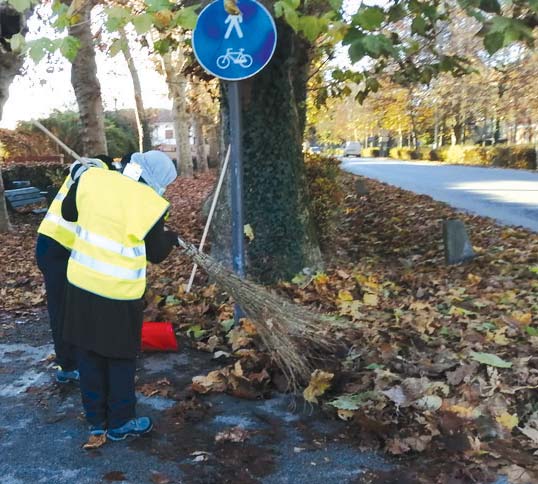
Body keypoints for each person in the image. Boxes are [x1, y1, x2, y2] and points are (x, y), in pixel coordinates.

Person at [61, 150, 179, 440]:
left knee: (88, 353)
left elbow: (68, 213)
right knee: (120, 357)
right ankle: (120, 421)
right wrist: (171, 238)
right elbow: (156, 253)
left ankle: (96, 421)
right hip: (118, 294)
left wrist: (78, 177)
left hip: (80, 286)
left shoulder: (95, 179)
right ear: (159, 181)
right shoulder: (151, 204)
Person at [36, 155, 114, 383]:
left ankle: (79, 358)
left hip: (64, 248)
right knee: (61, 310)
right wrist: (87, 169)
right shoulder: (96, 169)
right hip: (55, 247)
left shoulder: (104, 181)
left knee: (73, 307)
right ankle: (67, 366)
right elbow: (79, 166)